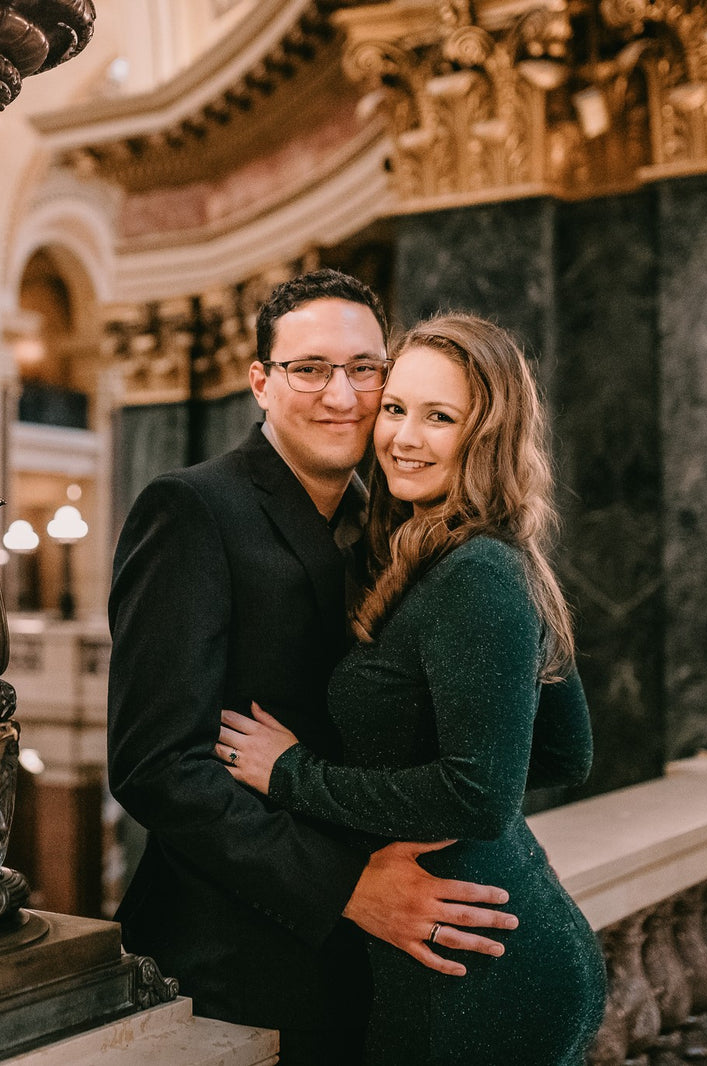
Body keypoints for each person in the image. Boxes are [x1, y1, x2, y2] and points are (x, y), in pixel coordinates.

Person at [106, 271, 521, 1065]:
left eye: (366, 370)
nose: (343, 394)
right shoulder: (191, 508)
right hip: (232, 960)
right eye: (310, 369)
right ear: (261, 382)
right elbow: (156, 767)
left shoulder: (399, 523)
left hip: (377, 960)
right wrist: (350, 889)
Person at [216, 313, 607, 1064]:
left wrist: (294, 775)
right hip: (495, 939)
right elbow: (563, 752)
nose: (402, 437)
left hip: (469, 973)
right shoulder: (470, 554)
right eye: (395, 409)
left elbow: (480, 797)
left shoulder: (477, 573)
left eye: (439, 418)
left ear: (484, 434)